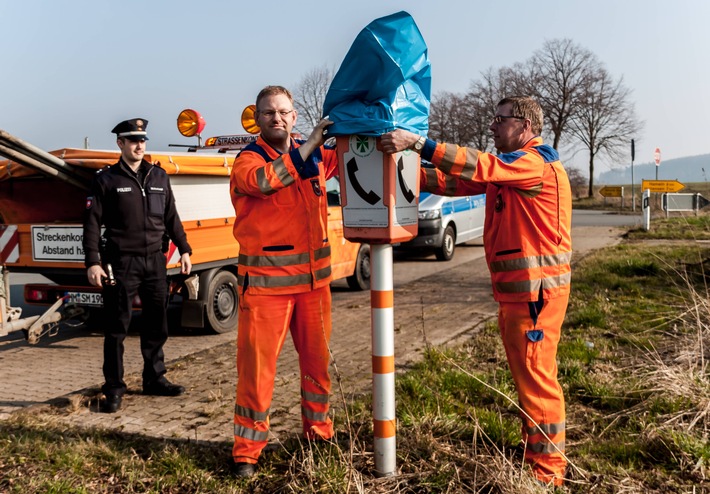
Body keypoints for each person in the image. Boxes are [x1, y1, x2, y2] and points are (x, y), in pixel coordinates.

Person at [381, 96, 572, 487]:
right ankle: (535, 452)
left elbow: (479, 165)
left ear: (524, 125)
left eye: (499, 121)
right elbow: (456, 181)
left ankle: (548, 473)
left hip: (534, 297)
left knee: (537, 381)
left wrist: (419, 144)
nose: (492, 127)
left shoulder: (534, 163)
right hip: (520, 297)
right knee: (530, 378)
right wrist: (406, 166)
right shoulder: (512, 169)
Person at [228, 85, 338, 478]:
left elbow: (352, 157)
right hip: (265, 289)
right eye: (269, 113)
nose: (277, 118)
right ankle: (247, 451)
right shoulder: (246, 160)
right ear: (257, 119)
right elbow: (263, 182)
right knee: (257, 372)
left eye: (283, 112)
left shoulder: (318, 156)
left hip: (314, 287)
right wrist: (307, 146)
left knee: (317, 367)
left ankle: (319, 436)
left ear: (294, 116)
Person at [83, 118, 192, 414]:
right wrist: (93, 262)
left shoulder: (158, 176)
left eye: (142, 140)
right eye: (132, 140)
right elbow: (92, 224)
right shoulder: (106, 179)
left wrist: (184, 249)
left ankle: (154, 379)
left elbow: (172, 217)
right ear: (120, 144)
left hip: (155, 262)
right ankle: (114, 389)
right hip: (121, 263)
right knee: (117, 327)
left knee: (157, 323)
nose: (139, 145)